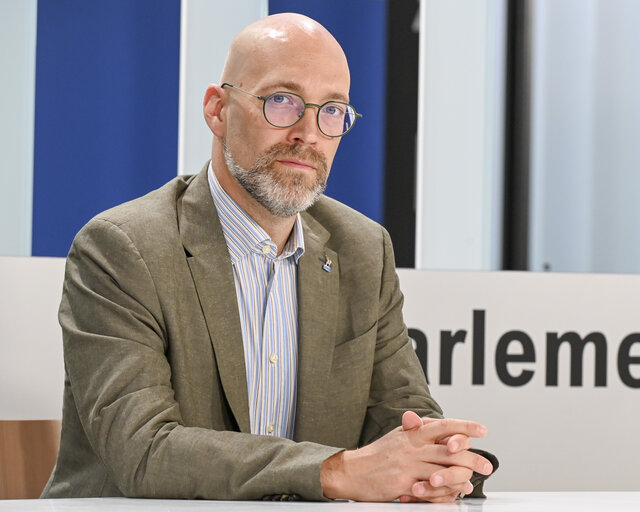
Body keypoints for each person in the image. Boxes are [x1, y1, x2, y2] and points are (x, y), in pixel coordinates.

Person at [42, 13, 495, 503]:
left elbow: (402, 415)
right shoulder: (122, 248)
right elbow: (144, 451)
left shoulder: (363, 249)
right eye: (282, 101)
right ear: (218, 110)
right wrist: (336, 471)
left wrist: (439, 463)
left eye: (333, 110)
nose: (309, 133)